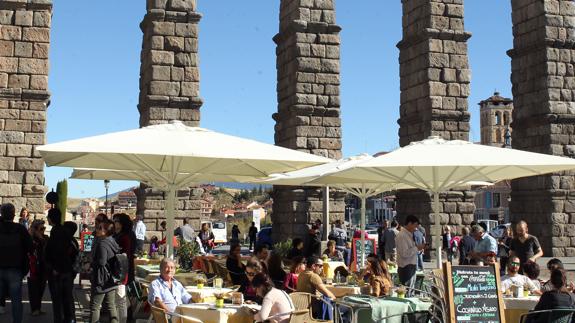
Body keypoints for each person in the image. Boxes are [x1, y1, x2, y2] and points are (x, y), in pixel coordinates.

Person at [0, 203, 32, 323]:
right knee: (16, 300)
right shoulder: (20, 229)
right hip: (15, 268)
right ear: (13, 215)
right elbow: (30, 247)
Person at [45, 208, 77, 323]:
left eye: (48, 216)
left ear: (51, 218)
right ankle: (71, 319)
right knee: (68, 299)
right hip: (67, 270)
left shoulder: (56, 232)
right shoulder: (66, 233)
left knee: (57, 301)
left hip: (58, 272)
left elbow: (56, 251)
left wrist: (55, 268)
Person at [90, 218, 121, 323]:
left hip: (102, 279)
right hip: (111, 279)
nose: (97, 229)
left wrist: (90, 264)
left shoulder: (103, 243)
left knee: (95, 306)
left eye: (99, 228)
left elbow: (102, 262)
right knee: (111, 305)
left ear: (105, 231)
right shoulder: (112, 240)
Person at [113, 213, 136, 322]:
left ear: (122, 223)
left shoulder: (126, 236)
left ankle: (126, 319)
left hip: (123, 271)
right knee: (123, 298)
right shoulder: (118, 234)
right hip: (122, 269)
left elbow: (125, 254)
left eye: (116, 221)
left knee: (122, 297)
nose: (114, 223)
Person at [395, 215, 425, 295]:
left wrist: (418, 248)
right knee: (407, 292)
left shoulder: (408, 235)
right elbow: (404, 253)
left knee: (410, 290)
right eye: (415, 225)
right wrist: (417, 248)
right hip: (406, 266)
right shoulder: (402, 236)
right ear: (409, 223)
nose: (416, 228)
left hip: (410, 265)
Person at [28, 219, 48, 316]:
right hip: (33, 267)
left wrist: (42, 239)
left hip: (43, 267)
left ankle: (38, 308)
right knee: (33, 289)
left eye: (44, 228)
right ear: (35, 229)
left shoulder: (45, 238)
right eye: (41, 228)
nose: (43, 230)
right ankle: (34, 309)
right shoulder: (30, 239)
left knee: (41, 288)